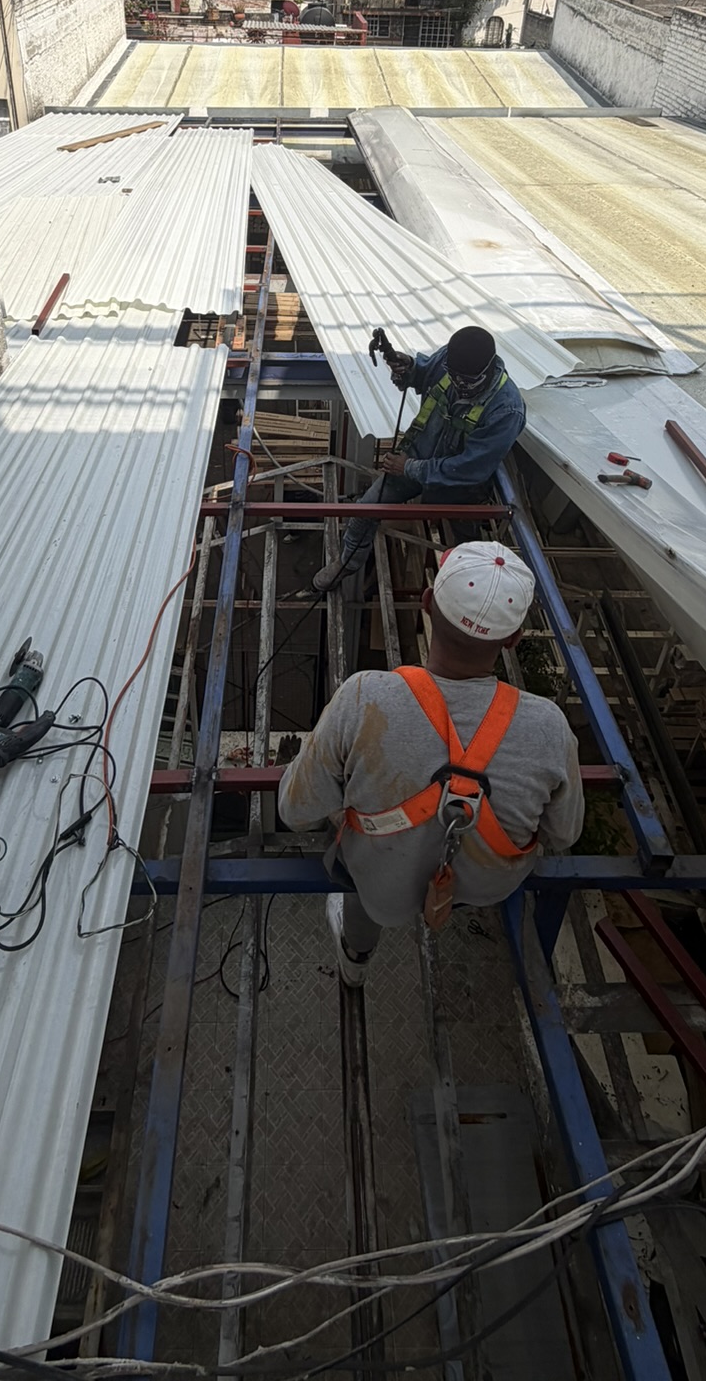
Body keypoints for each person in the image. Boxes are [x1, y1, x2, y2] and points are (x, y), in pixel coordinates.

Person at [278, 542, 583, 984]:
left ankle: (355, 961)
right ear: (514, 639)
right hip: (487, 885)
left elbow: (294, 810)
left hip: (383, 886)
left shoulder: (364, 697)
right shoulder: (550, 727)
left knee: (359, 880)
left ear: (426, 603)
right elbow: (563, 833)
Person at [312, 324, 525, 597]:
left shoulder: (506, 409)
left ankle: (467, 587)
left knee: (465, 544)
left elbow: (470, 468)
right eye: (454, 376)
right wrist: (410, 368)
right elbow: (426, 373)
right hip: (418, 456)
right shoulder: (451, 358)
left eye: (466, 382)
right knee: (366, 509)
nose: (458, 385)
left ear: (487, 370)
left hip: (458, 486)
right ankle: (346, 564)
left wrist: (408, 467)